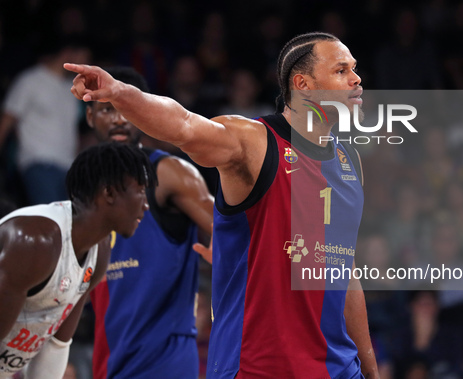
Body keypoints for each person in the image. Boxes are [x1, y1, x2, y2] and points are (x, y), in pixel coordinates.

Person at [66, 31, 379, 378]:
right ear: (303, 84)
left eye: (354, 68)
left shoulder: (349, 161)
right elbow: (183, 125)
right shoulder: (253, 142)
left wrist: (370, 371)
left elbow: (345, 272)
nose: (356, 78)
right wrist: (121, 94)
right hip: (257, 368)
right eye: (340, 70)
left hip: (339, 370)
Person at [85, 66, 214, 379]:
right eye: (106, 110)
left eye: (125, 110)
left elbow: (234, 233)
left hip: (165, 361)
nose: (117, 119)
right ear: (90, 118)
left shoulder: (171, 173)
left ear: (142, 112)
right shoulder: (84, 187)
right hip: (108, 360)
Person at [0, 143, 156, 379]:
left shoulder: (99, 251)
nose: (146, 204)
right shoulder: (36, 242)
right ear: (109, 193)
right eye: (141, 191)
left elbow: (57, 343)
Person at [0, 37, 90, 205]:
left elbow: (72, 130)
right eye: (83, 61)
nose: (85, 67)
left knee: (69, 223)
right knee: (50, 221)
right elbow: (7, 121)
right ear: (67, 54)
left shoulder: (70, 89)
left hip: (68, 169)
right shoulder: (30, 81)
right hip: (38, 163)